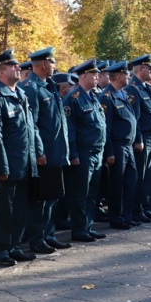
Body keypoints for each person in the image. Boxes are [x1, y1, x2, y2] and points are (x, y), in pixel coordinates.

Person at [0, 49, 41, 267]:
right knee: (3, 211)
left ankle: (14, 246)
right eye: (13, 66)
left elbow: (30, 129)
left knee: (19, 209)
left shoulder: (20, 95)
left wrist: (36, 155)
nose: (19, 68)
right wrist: (1, 167)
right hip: (7, 166)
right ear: (1, 71)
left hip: (24, 163)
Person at [20, 46, 72, 254]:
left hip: (56, 151)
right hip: (45, 154)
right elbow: (31, 124)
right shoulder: (31, 88)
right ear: (42, 64)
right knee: (40, 200)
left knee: (51, 197)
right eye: (52, 62)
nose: (55, 66)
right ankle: (37, 238)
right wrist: (39, 151)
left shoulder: (49, 86)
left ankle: (48, 235)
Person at [63, 59, 107, 242]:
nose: (97, 77)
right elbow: (70, 128)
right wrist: (73, 154)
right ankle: (79, 229)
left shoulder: (92, 96)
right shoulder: (73, 98)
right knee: (81, 192)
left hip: (96, 151)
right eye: (94, 75)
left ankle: (88, 226)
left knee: (92, 193)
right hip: (83, 152)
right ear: (84, 76)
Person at [98, 61, 138, 230]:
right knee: (117, 184)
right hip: (118, 146)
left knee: (130, 181)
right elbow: (106, 127)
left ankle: (127, 215)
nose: (129, 77)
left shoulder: (122, 94)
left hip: (128, 145)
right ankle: (116, 217)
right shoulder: (107, 97)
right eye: (127, 74)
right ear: (119, 76)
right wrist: (110, 152)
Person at [125, 54, 151, 223]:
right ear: (140, 69)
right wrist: (139, 139)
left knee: (149, 176)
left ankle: (145, 207)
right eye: (149, 68)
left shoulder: (146, 87)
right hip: (144, 138)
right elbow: (136, 118)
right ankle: (136, 209)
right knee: (140, 176)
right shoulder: (133, 88)